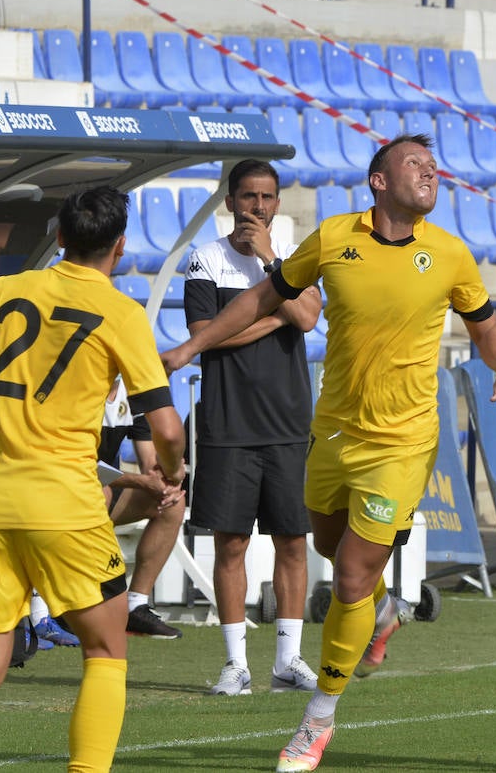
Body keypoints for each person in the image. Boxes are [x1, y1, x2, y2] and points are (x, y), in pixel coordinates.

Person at [162, 134, 496, 773]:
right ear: (380, 181)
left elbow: (485, 323)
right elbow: (259, 298)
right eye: (414, 163)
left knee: (352, 572)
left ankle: (316, 722)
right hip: (331, 433)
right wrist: (190, 348)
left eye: (432, 164)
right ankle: (385, 609)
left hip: (404, 439)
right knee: (332, 546)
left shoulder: (450, 253)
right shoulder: (334, 237)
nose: (429, 171)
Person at [0, 185, 185, 771]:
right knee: (105, 651)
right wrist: (171, 473)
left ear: (61, 237)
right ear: (120, 247)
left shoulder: (1, 292)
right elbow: (166, 428)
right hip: (65, 505)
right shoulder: (120, 312)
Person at [185, 159, 322, 696]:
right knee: (231, 544)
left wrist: (270, 261)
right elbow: (204, 337)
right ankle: (236, 664)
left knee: (292, 541)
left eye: (266, 198)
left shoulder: (291, 259)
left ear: (277, 204)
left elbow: (309, 317)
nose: (257, 208)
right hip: (228, 422)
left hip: (288, 421)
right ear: (230, 201)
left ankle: (288, 661)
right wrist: (271, 316)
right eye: (248, 198)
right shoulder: (205, 260)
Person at [103, 378, 187, 641]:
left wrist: (166, 479)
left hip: (95, 493)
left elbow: (149, 462)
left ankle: (135, 605)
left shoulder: (132, 391)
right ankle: (48, 610)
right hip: (55, 492)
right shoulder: (78, 384)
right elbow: (75, 464)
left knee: (171, 505)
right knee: (100, 494)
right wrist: (142, 481)